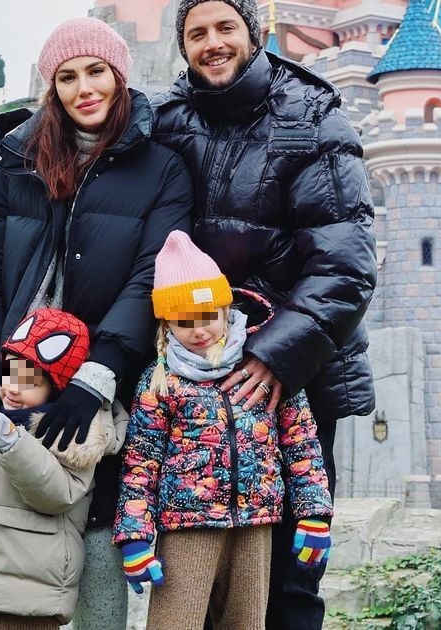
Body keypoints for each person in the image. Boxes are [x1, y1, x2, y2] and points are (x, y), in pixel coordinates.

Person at [0, 16, 193, 630]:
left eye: (97, 72)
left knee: (99, 516)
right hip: (11, 370)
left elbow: (148, 281)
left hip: (105, 379)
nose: (85, 88)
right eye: (67, 76)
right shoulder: (18, 162)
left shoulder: (162, 168)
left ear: (119, 76)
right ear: (51, 88)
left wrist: (97, 376)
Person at [151, 0, 377, 630]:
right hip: (200, 380)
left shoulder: (311, 117)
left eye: (225, 28)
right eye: (197, 33)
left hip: (289, 383)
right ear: (184, 46)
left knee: (290, 581)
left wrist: (275, 360)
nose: (213, 43)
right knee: (209, 582)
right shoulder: (170, 120)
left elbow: (346, 266)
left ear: (254, 33)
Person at [113, 231, 333, 630]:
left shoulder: (262, 364)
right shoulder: (160, 381)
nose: (199, 331)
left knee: (247, 624)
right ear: (166, 324)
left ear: (226, 309)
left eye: (208, 316)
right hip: (186, 524)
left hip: (255, 522)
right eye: (185, 321)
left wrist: (314, 513)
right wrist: (135, 535)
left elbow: (301, 442)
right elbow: (141, 462)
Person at [0, 307, 127, 630]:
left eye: (30, 380)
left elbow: (57, 494)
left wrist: (13, 445)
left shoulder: (75, 431)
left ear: (57, 389)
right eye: (10, 372)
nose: (13, 388)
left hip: (26, 598)